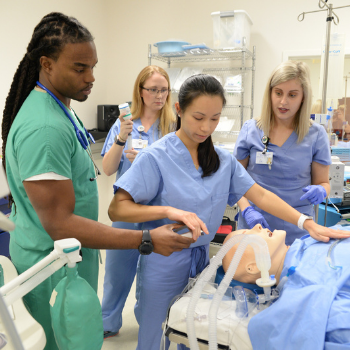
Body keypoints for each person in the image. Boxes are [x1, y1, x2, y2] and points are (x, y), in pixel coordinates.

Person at [107, 74, 350, 350]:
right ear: (178, 109)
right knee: (155, 336)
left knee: (191, 332)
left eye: (214, 118)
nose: (206, 127)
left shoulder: (222, 161)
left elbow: (260, 195)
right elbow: (117, 208)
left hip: (202, 260)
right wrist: (169, 210)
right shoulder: (156, 157)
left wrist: (305, 222)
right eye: (198, 117)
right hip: (165, 257)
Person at [1, 12, 193, 350]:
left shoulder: (63, 109)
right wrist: (146, 240)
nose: (91, 77)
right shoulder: (45, 128)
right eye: (79, 68)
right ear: (46, 63)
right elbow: (60, 224)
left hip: (69, 257)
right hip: (51, 269)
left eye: (93, 66)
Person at [101, 65, 176, 339]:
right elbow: (108, 169)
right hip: (126, 208)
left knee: (151, 276)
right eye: (153, 90)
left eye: (164, 90)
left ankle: (148, 323)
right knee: (117, 271)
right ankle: (107, 322)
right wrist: (121, 138)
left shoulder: (173, 127)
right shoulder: (125, 125)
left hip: (157, 209)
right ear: (140, 91)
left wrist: (150, 163)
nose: (159, 96)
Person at [234, 61, 331, 245]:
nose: (283, 101)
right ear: (270, 93)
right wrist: (246, 210)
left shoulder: (316, 135)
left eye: (292, 95)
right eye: (278, 93)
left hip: (299, 226)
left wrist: (322, 191)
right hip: (255, 224)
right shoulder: (251, 129)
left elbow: (323, 183)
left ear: (303, 97)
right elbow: (235, 179)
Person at [222, 224, 350, 349]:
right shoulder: (304, 296)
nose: (257, 226)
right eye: (246, 235)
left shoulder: (312, 239)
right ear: (253, 267)